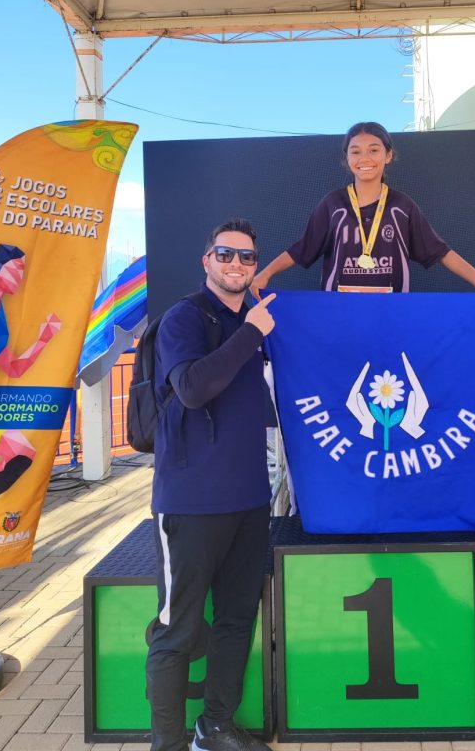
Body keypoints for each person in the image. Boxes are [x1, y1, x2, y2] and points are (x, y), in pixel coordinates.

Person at [145, 219, 276, 751]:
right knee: (177, 631)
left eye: (247, 257)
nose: (236, 264)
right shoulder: (185, 317)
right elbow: (194, 387)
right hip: (191, 504)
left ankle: (215, 727)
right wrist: (253, 332)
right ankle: (168, 745)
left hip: (249, 501)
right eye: (225, 254)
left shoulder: (254, 320)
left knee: (236, 620)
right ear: (207, 261)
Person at [251, 121, 475, 299]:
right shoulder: (333, 205)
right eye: (356, 151)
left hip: (391, 313)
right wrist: (264, 275)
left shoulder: (402, 206)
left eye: (374, 150)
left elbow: (440, 251)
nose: (365, 158)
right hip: (339, 313)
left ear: (388, 155)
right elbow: (301, 249)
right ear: (347, 158)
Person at [0, 243, 61, 377]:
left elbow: (14, 369)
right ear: (1, 267)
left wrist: (44, 338)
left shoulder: (0, 314)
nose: (20, 277)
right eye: (18, 269)